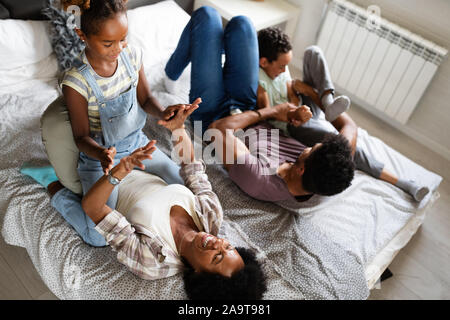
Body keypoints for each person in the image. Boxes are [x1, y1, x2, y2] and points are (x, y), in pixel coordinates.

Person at [164, 7, 429, 208]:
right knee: (242, 25)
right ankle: (212, 59)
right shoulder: (324, 173)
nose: (308, 147)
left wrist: (270, 113)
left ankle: (172, 72)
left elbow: (218, 129)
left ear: (302, 169)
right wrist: (321, 101)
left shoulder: (258, 178)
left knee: (208, 17)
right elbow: (349, 126)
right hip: (248, 106)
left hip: (215, 114)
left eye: (311, 150)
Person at [21, 100, 268, 300]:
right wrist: (178, 130)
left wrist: (120, 172)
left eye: (217, 257)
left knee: (95, 236)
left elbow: (93, 207)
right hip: (145, 163)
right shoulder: (211, 216)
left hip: (109, 181)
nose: (217, 243)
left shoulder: (154, 262)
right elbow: (194, 168)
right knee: (182, 180)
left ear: (200, 275)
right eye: (228, 247)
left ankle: (53, 184)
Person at [31, 0, 188, 246]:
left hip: (137, 144)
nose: (118, 48)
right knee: (98, 237)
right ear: (82, 35)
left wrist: (165, 113)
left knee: (186, 187)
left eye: (123, 38)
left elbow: (145, 99)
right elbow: (81, 137)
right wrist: (102, 155)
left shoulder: (132, 56)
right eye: (108, 43)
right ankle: (53, 185)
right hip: (100, 160)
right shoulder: (76, 81)